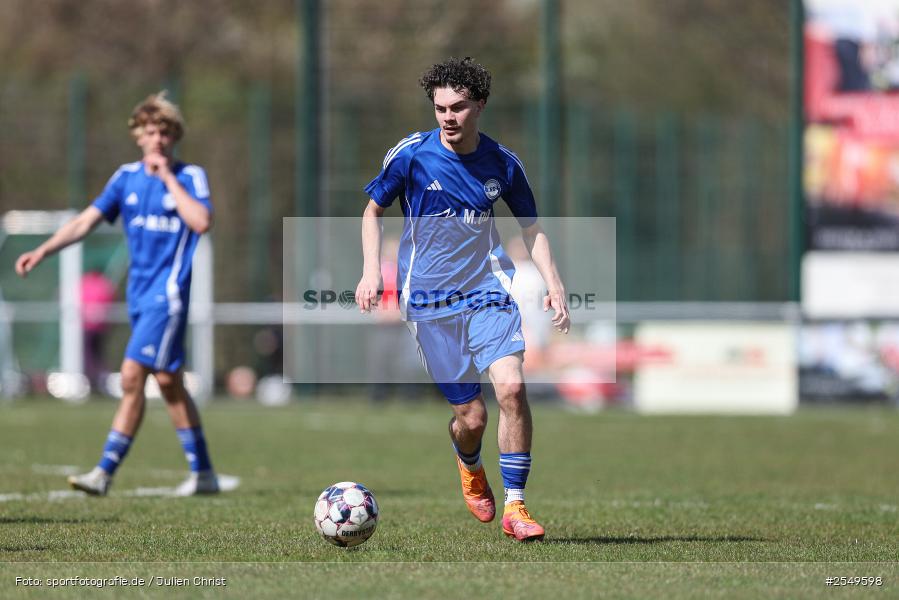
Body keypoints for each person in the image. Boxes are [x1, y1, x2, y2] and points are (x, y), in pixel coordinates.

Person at [355, 57, 570, 541]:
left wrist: (554, 283)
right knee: (471, 418)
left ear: (480, 105)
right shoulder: (411, 155)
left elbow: (531, 227)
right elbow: (372, 212)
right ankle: (469, 462)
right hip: (428, 300)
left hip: (486, 288)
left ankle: (516, 506)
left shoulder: (502, 163)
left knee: (512, 389)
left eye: (458, 107)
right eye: (439, 108)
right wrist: (372, 272)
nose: (448, 117)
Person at [15, 91, 218, 497]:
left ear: (173, 136)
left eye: (164, 132)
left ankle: (104, 472)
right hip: (139, 298)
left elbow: (201, 222)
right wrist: (43, 250)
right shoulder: (124, 178)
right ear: (138, 136)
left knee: (131, 376)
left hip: (169, 295)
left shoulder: (189, 176)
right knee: (168, 381)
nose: (157, 138)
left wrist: (167, 179)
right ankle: (205, 474)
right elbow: (85, 222)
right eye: (149, 131)